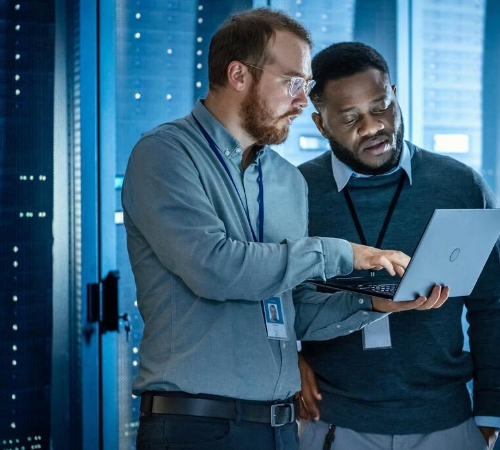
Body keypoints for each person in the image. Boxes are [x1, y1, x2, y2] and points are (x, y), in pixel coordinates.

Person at [121, 10, 449, 450]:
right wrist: (348, 253)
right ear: (238, 74)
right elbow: (215, 268)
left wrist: (378, 302)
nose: (302, 102)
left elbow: (295, 309)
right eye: (293, 82)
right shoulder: (165, 155)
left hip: (278, 427)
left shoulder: (286, 180)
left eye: (306, 87)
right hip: (195, 426)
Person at [295, 42, 500, 450]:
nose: (373, 127)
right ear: (321, 125)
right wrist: (290, 362)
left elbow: (491, 305)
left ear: (395, 94)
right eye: (349, 118)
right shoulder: (295, 191)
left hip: (447, 423)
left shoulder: (459, 184)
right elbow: (267, 299)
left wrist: (488, 412)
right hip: (335, 423)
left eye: (381, 106)